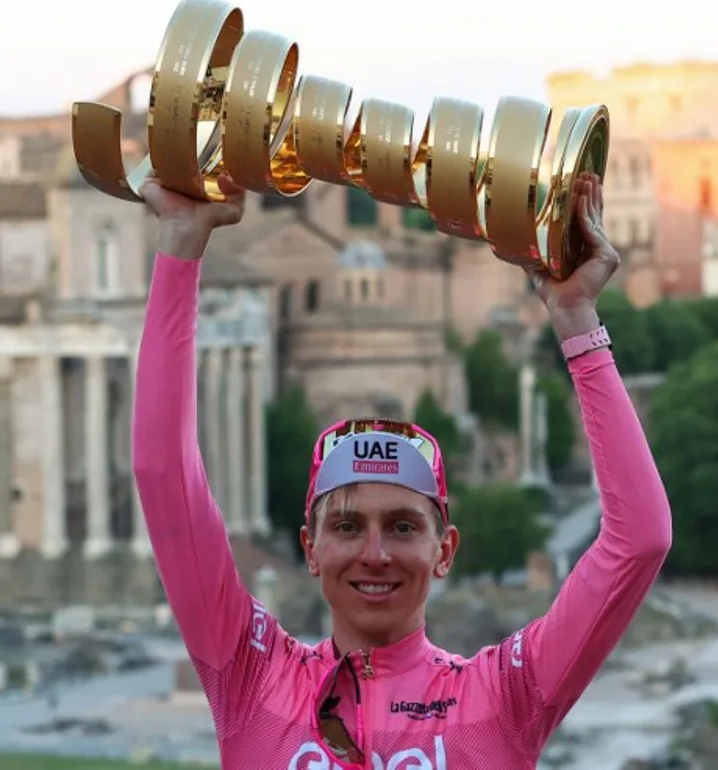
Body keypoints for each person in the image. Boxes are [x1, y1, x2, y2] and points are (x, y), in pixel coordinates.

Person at [131, 170, 673, 769]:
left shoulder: (502, 698)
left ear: (446, 549)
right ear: (309, 548)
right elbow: (161, 471)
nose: (375, 552)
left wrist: (577, 321)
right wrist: (180, 246)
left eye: (404, 526)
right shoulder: (252, 680)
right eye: (346, 526)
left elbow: (641, 539)